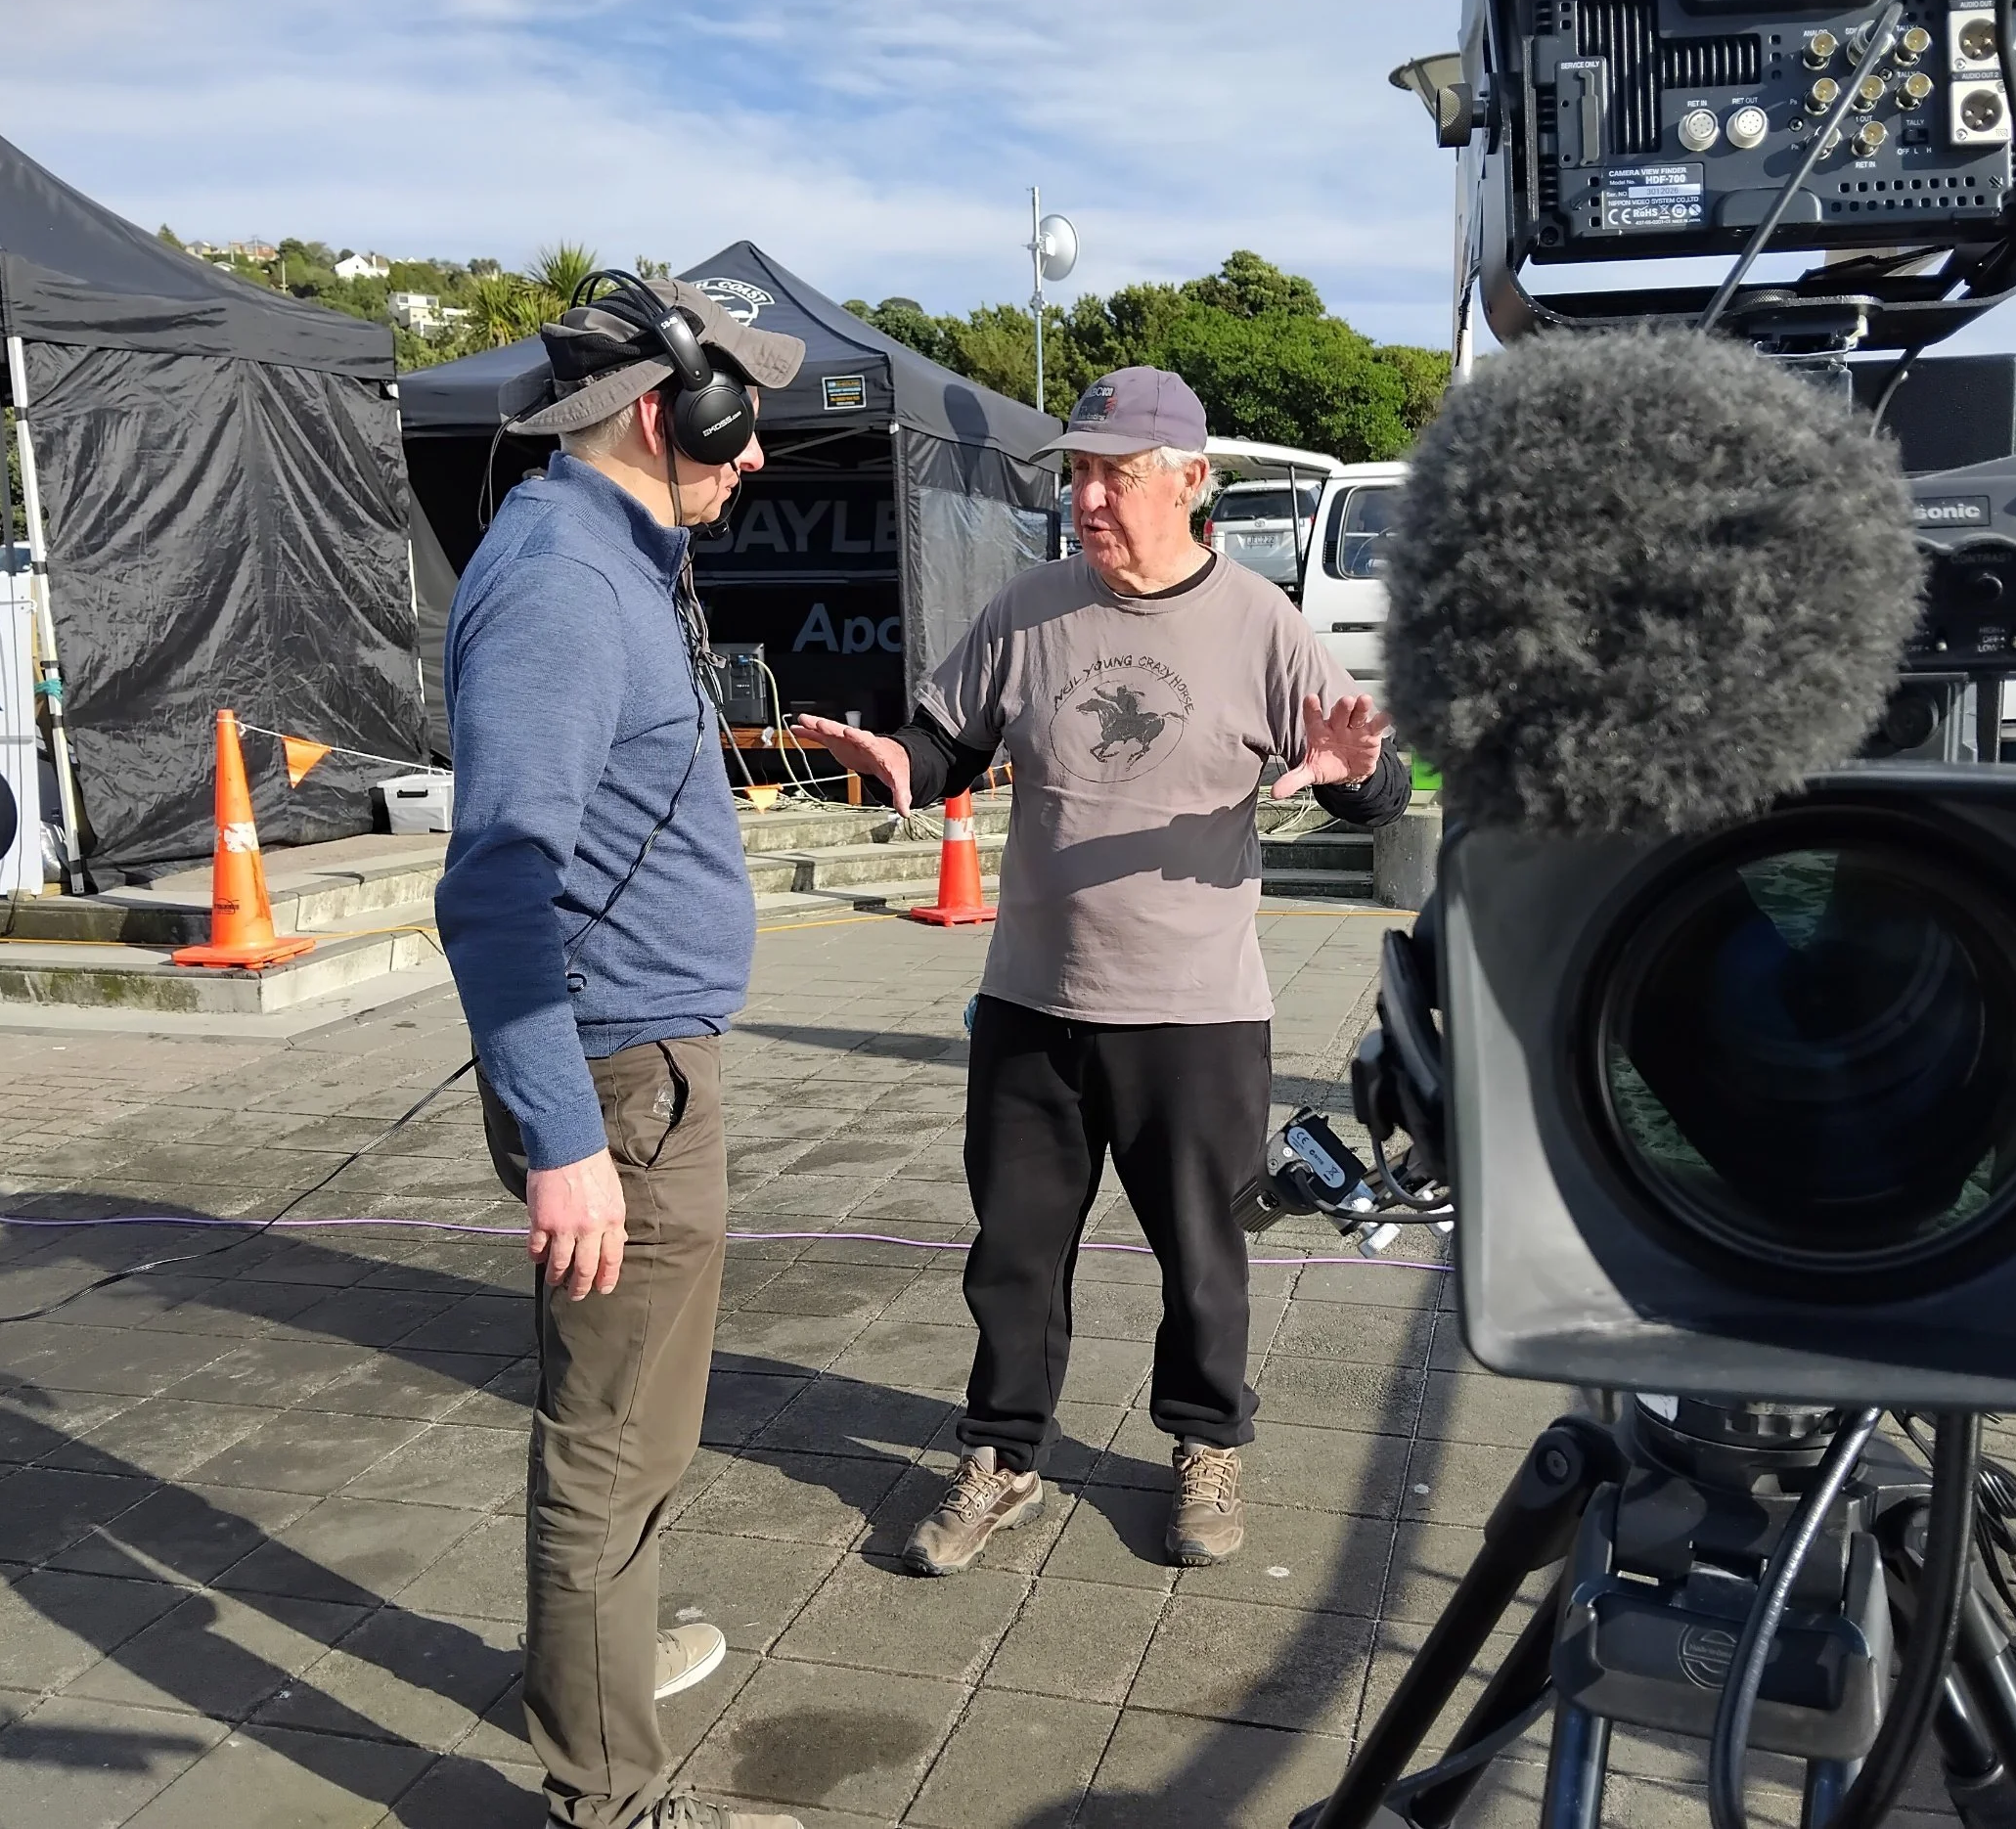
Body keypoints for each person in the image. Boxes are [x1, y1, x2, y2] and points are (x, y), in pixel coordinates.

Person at [799, 368, 1409, 1575]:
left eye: (1113, 475)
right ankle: (1003, 1456)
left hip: (1196, 1013)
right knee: (1014, 1254)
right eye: (1076, 472)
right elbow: (947, 740)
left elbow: (1369, 784)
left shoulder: (1260, 623)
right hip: (1032, 1000)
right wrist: (902, 762)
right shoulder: (1027, 609)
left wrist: (1351, 774)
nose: (1085, 497)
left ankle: (1206, 1443)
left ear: (1190, 483)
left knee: (1204, 1255)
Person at [435, 278, 806, 1829]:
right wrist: (567, 1137)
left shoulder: (609, 556)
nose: (757, 454)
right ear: (668, 413)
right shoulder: (565, 587)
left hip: (634, 1073)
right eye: (742, 422)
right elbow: (495, 880)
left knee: (637, 1425)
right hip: (619, 1091)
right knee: (609, 1444)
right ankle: (608, 1795)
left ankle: (610, 1657)